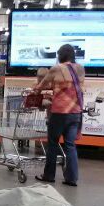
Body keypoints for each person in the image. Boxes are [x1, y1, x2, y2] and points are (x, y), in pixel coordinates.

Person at [33, 44, 85, 187]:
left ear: (61, 55)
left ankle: (49, 175)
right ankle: (72, 178)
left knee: (53, 144)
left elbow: (41, 86)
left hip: (59, 113)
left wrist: (36, 90)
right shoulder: (80, 69)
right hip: (75, 112)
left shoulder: (56, 68)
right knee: (70, 145)